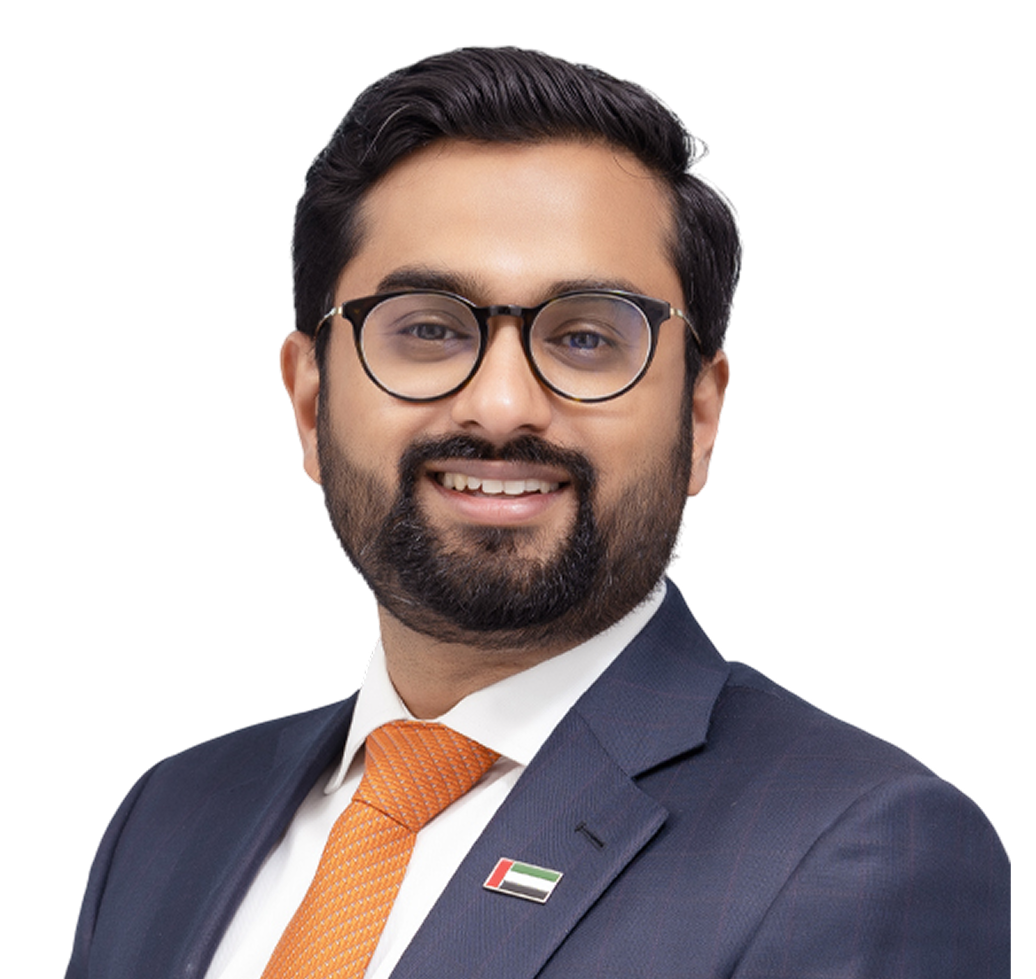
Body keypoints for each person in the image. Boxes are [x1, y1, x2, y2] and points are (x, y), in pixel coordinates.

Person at [67, 46, 1009, 979]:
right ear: (310, 404)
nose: (503, 405)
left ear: (700, 418)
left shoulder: (863, 851)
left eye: (588, 336)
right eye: (428, 327)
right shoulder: (169, 819)